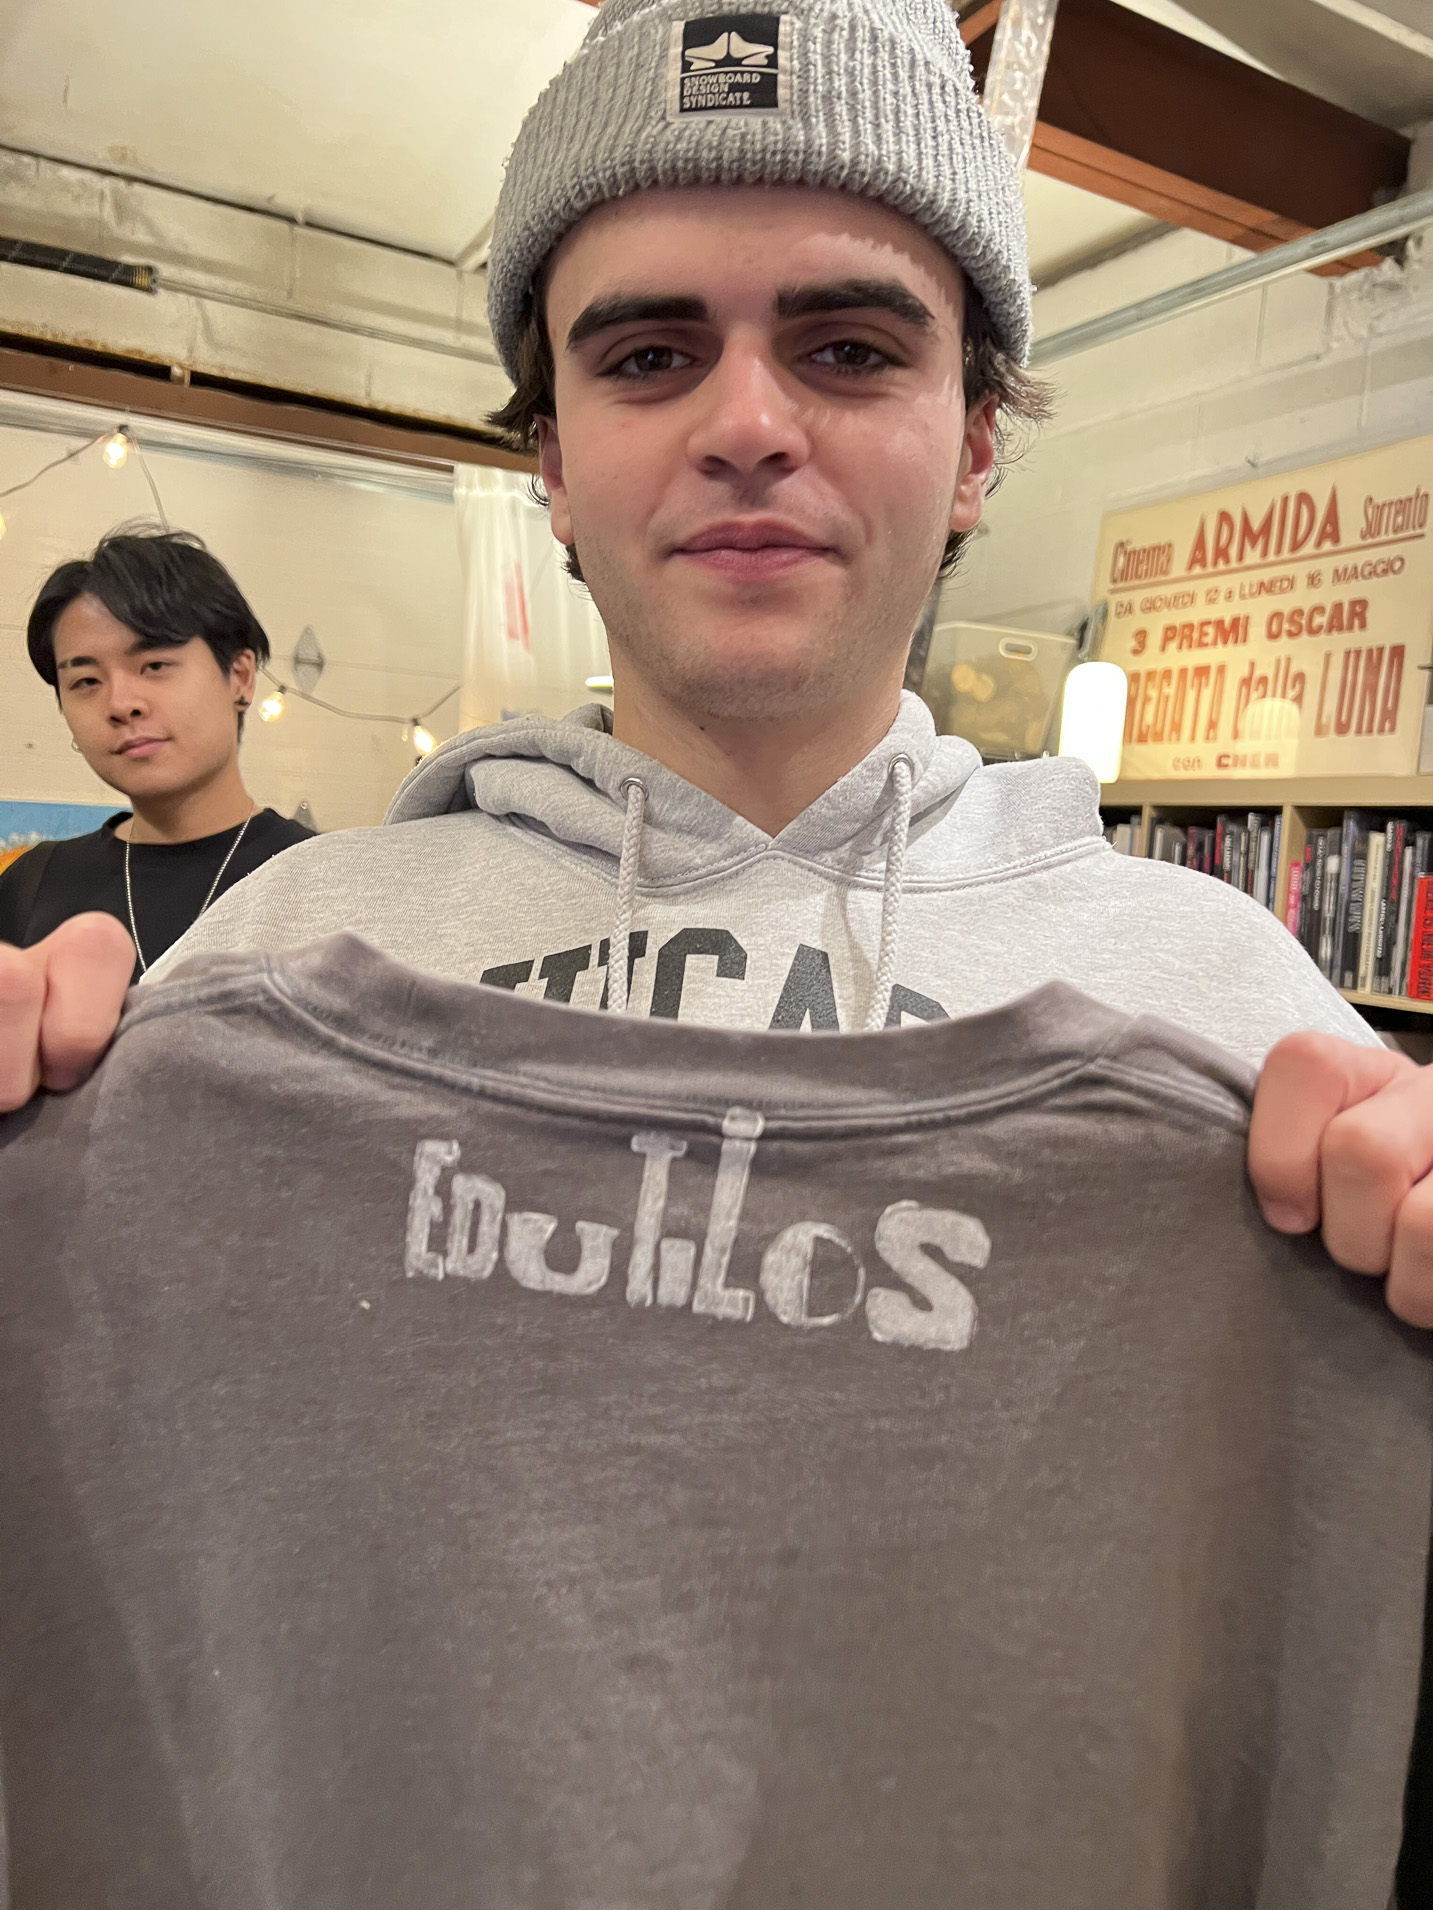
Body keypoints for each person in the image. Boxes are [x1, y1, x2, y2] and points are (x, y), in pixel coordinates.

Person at [0, 0, 1429, 1340]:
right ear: (551, 463)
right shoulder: (288, 959)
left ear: (977, 449)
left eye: (850, 347)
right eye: (649, 356)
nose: (747, 423)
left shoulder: (1229, 1007)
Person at [0, 529, 313, 981]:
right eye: (86, 681)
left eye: (155, 666)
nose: (121, 703)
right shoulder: (31, 887)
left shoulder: (316, 876)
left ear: (240, 677)